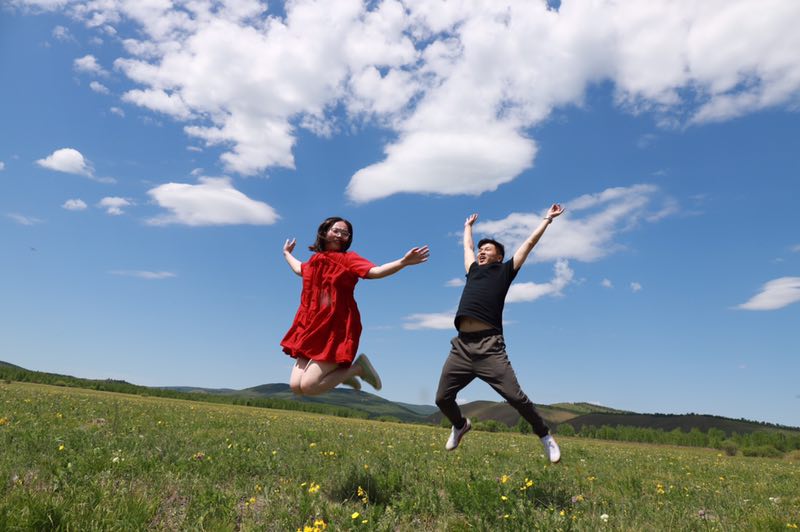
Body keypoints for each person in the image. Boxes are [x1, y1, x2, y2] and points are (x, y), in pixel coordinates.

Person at [435, 205, 565, 463]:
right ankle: (460, 425)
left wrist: (547, 220)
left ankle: (544, 435)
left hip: (489, 347)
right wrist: (467, 228)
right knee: (442, 398)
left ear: (499, 256)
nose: (482, 251)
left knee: (515, 397)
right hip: (461, 346)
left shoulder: (505, 271)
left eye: (488, 249)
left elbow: (528, 243)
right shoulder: (473, 270)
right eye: (481, 249)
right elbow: (467, 249)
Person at [282, 216, 429, 396]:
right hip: (311, 326)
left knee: (309, 386)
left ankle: (358, 369)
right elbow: (299, 269)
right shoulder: (314, 261)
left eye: (345, 233)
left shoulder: (348, 259)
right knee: (296, 386)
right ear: (324, 232)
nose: (340, 235)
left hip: (336, 327)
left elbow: (375, 272)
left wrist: (403, 262)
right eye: (336, 230)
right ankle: (342, 375)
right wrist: (287, 253)